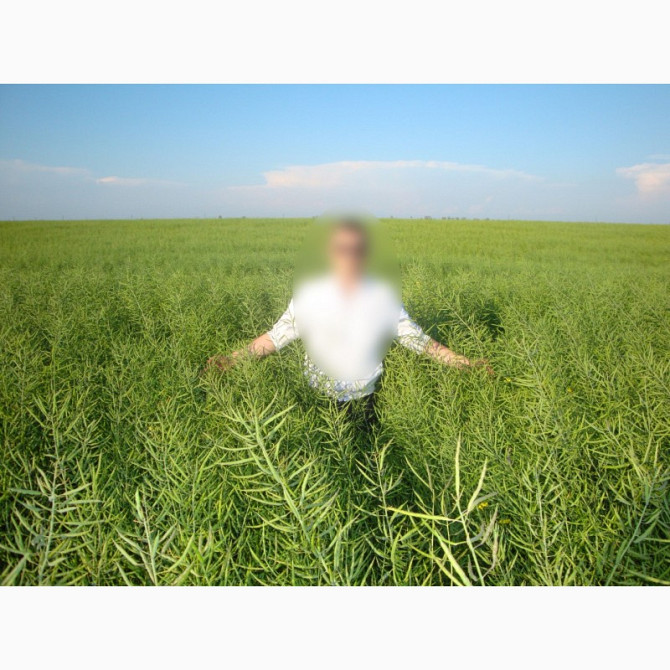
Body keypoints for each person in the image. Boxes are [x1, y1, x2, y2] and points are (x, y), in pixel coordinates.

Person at [205, 218, 491, 427]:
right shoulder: (309, 296)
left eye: (357, 249)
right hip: (319, 401)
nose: (349, 256)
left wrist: (465, 363)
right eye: (341, 249)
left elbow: (419, 341)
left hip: (365, 403)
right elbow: (275, 337)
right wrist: (233, 359)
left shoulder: (383, 296)